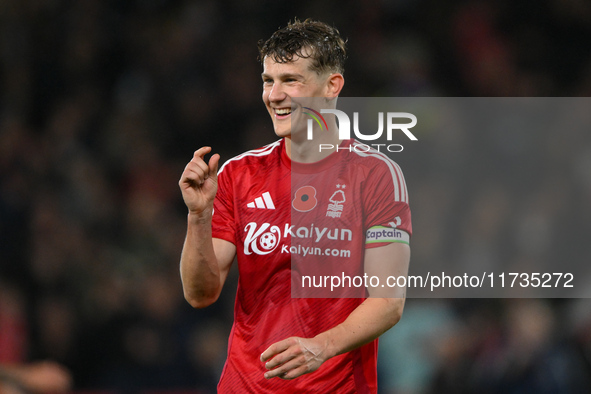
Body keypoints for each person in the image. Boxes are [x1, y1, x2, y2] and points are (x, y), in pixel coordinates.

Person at [179, 19, 411, 393]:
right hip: (245, 385)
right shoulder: (238, 174)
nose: (274, 95)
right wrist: (198, 216)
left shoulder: (375, 175)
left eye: (291, 80)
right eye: (268, 81)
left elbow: (388, 301)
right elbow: (199, 294)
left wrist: (321, 347)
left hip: (336, 386)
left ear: (332, 85)